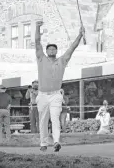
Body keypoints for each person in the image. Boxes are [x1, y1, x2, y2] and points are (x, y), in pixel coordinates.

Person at [35, 20, 84, 152]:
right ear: (46, 51)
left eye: (54, 48)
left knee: (55, 118)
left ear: (56, 51)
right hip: (42, 95)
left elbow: (72, 49)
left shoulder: (62, 60)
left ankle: (56, 142)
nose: (51, 50)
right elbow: (37, 42)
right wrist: (37, 27)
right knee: (43, 120)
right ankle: (43, 143)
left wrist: (79, 36)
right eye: (49, 48)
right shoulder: (41, 58)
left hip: (56, 94)